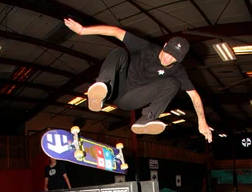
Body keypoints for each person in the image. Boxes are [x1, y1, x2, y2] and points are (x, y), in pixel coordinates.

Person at [64, 18, 212, 142]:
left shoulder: (177, 70)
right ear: (165, 45)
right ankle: (102, 87)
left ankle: (146, 119)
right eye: (168, 52)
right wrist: (83, 31)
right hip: (117, 86)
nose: (168, 58)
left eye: (174, 57)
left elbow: (194, 95)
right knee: (120, 52)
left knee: (174, 83)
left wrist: (202, 121)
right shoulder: (146, 48)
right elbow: (116, 32)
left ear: (180, 60)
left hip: (132, 99)